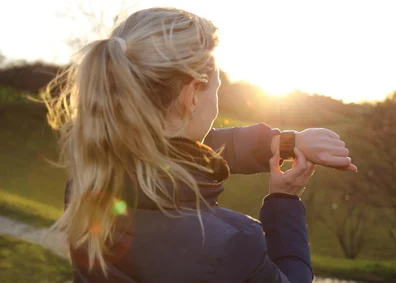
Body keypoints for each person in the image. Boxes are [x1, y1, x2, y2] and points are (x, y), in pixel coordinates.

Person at [46, 7, 356, 283]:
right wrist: (284, 201)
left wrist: (284, 143)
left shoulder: (88, 181)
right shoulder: (230, 245)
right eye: (215, 88)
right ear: (193, 95)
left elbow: (185, 151)